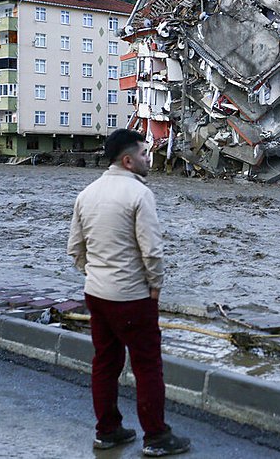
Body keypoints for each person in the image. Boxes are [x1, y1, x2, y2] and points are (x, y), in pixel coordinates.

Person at [68, 129, 190, 457]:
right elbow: (151, 251)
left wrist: (95, 275)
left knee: (105, 362)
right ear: (127, 160)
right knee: (147, 365)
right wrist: (155, 286)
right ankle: (156, 436)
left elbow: (75, 249)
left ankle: (107, 431)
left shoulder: (87, 194)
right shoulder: (139, 194)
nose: (148, 158)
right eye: (144, 154)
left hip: (96, 293)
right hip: (132, 297)